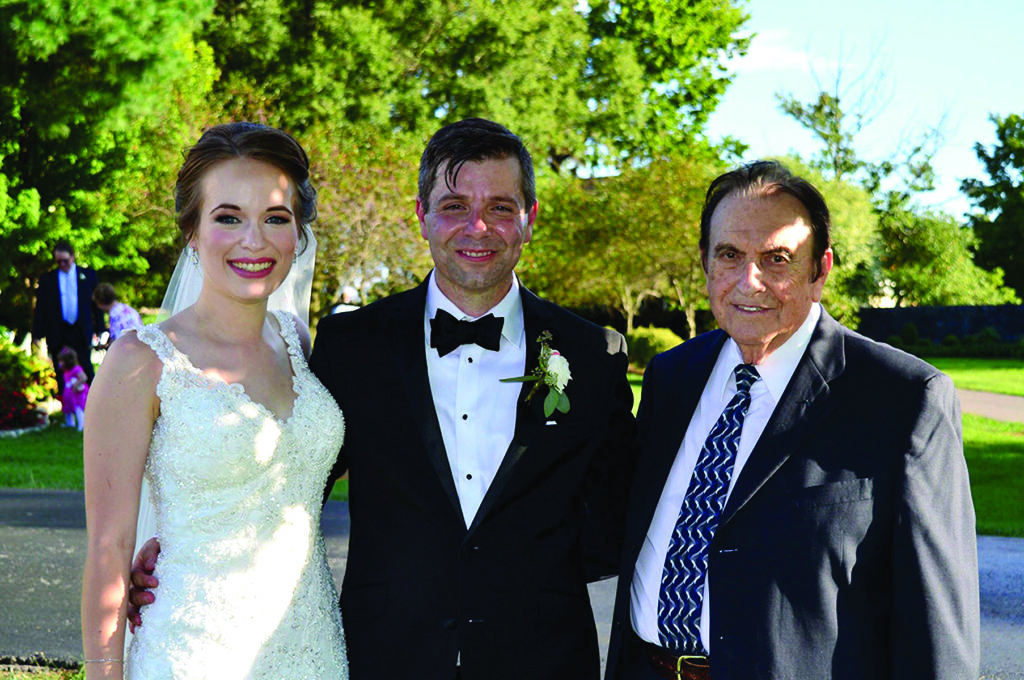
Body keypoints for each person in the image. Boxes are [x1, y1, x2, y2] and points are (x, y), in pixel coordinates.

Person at [131, 118, 638, 679]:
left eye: (499, 207)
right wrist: (181, 551)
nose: (477, 227)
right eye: (452, 206)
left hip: (543, 659)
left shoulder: (594, 355)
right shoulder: (353, 346)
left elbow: (619, 514)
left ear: (529, 219)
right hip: (386, 655)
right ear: (420, 216)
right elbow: (293, 477)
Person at [605, 160, 980, 679]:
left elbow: (937, 625)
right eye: (730, 255)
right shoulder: (673, 376)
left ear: (820, 270)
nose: (748, 281)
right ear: (706, 262)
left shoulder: (902, 399)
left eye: (776, 259)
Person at [81, 122, 348, 680]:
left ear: (298, 234)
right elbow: (109, 548)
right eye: (228, 217)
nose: (254, 240)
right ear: (192, 233)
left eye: (275, 218)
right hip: (194, 651)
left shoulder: (296, 342)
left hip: (311, 646)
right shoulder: (142, 361)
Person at [32, 241, 101, 383]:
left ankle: (89, 404)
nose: (62, 264)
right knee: (62, 374)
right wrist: (37, 334)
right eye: (59, 261)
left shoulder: (88, 275)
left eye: (65, 260)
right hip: (58, 332)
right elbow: (41, 308)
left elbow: (96, 304)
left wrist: (100, 329)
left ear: (73, 257)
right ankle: (67, 403)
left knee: (86, 369)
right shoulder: (48, 279)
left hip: (80, 331)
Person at [92, 282, 143, 348]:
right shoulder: (127, 308)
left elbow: (117, 341)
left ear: (102, 302)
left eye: (97, 303)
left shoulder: (114, 315)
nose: (98, 307)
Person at [57, 346, 89, 431]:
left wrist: (76, 385)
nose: (60, 363)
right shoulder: (66, 371)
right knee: (68, 408)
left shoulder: (76, 369)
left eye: (62, 361)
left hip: (78, 393)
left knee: (79, 409)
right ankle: (70, 423)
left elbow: (83, 377)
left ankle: (82, 426)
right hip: (69, 394)